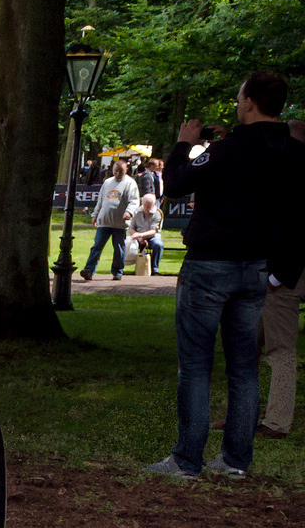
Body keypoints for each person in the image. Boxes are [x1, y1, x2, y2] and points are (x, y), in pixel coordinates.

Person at [145, 70, 304, 479]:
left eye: (239, 100)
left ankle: (187, 459)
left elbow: (178, 182)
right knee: (244, 367)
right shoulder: (291, 151)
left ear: (249, 102)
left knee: (196, 366)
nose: (237, 105)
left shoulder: (232, 150)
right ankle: (235, 460)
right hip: (256, 270)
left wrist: (185, 144)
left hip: (211, 266)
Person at [253, 118, 305, 440]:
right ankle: (246, 411)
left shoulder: (293, 173)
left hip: (287, 275)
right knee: (250, 343)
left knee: (281, 350)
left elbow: (296, 231)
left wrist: (277, 277)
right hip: (284, 272)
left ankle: (276, 423)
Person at [80, 159, 140, 280]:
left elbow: (134, 201)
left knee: (119, 249)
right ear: (112, 170)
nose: (117, 173)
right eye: (116, 170)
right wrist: (95, 215)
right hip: (104, 221)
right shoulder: (107, 182)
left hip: (120, 223)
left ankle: (117, 272)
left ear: (126, 170)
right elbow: (101, 201)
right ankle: (88, 270)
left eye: (120, 171)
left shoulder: (130, 183)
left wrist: (129, 212)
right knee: (97, 246)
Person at [127, 192, 166, 276]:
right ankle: (122, 266)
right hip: (138, 236)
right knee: (125, 242)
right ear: (142, 202)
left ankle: (154, 269)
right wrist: (139, 238)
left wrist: (141, 235)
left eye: (150, 205)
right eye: (145, 205)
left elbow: (153, 231)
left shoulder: (158, 213)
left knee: (158, 244)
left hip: (152, 236)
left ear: (154, 203)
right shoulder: (136, 212)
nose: (147, 207)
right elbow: (131, 228)